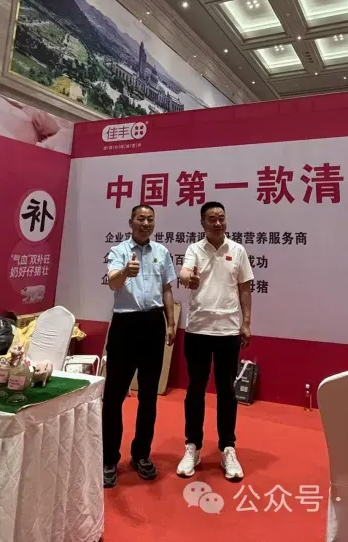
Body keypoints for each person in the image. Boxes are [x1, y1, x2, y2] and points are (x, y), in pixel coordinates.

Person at [176, 201, 253, 482]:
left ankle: (227, 448)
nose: (218, 223)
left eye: (221, 218)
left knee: (226, 391)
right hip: (198, 330)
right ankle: (192, 446)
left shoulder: (238, 250)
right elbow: (184, 273)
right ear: (202, 223)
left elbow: (245, 289)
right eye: (212, 219)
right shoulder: (194, 250)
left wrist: (246, 323)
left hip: (228, 331)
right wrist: (188, 278)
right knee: (195, 389)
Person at [102, 204, 177, 488]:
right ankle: (109, 458)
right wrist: (125, 271)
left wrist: (170, 323)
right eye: (140, 219)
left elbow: (167, 289)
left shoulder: (162, 252)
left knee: (149, 396)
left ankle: (141, 454)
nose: (145, 223)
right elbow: (113, 283)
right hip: (125, 325)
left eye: (150, 219)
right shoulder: (119, 250)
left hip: (153, 324)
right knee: (114, 396)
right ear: (131, 222)